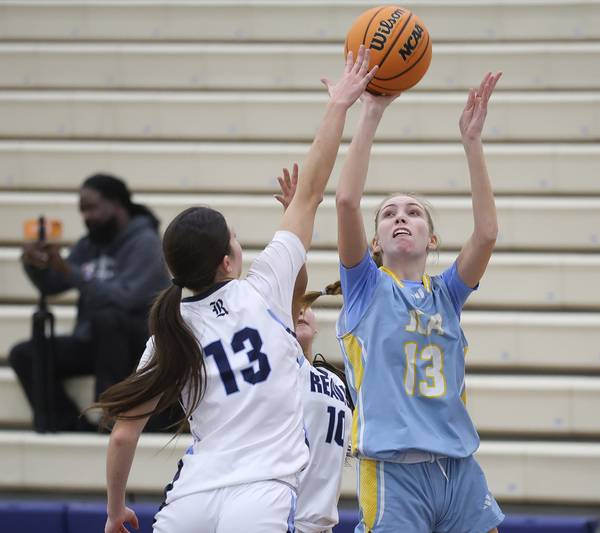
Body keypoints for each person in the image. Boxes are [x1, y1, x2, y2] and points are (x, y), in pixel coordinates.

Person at [97, 47, 376, 533]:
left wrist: (115, 509)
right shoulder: (264, 288)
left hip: (192, 497)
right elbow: (312, 190)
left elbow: (123, 436)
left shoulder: (168, 331)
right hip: (262, 493)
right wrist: (339, 105)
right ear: (228, 261)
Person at [334, 72, 505, 532]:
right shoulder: (366, 287)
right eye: (389, 214)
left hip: (458, 467)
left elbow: (487, 234)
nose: (401, 218)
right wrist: (371, 112)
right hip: (393, 470)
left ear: (432, 240)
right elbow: (347, 201)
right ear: (375, 242)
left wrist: (472, 142)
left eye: (413, 212)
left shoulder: (446, 295)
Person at [10, 173, 169, 431]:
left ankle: (112, 419)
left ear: (117, 204)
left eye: (92, 208)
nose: (86, 217)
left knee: (108, 319)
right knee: (26, 355)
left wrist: (70, 271)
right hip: (95, 340)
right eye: (82, 210)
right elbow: (53, 284)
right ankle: (68, 424)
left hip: (138, 346)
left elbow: (125, 298)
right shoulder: (88, 245)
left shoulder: (146, 243)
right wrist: (35, 264)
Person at [275, 164, 353, 533]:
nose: (302, 310)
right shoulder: (274, 368)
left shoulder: (337, 380)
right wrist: (295, 217)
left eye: (308, 307)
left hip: (321, 522)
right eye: (295, 308)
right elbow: (291, 281)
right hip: (277, 518)